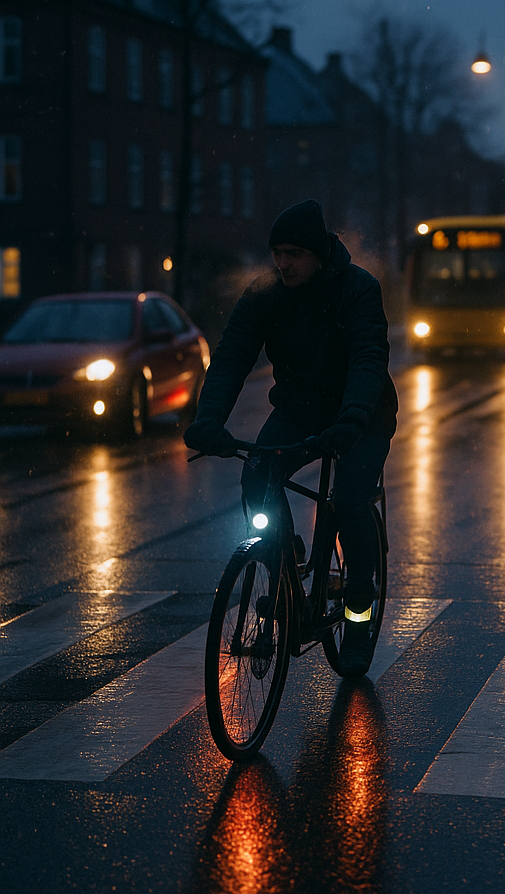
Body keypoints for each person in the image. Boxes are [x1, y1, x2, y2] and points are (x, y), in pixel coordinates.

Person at [184, 199, 398, 677]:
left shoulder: (357, 289)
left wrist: (352, 419)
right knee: (256, 475)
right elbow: (231, 357)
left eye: (294, 254)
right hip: (300, 408)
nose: (282, 263)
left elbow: (368, 358)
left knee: (348, 500)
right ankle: (284, 556)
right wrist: (208, 419)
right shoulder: (264, 295)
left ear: (319, 254)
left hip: (361, 414)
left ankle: (358, 615)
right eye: (277, 253)